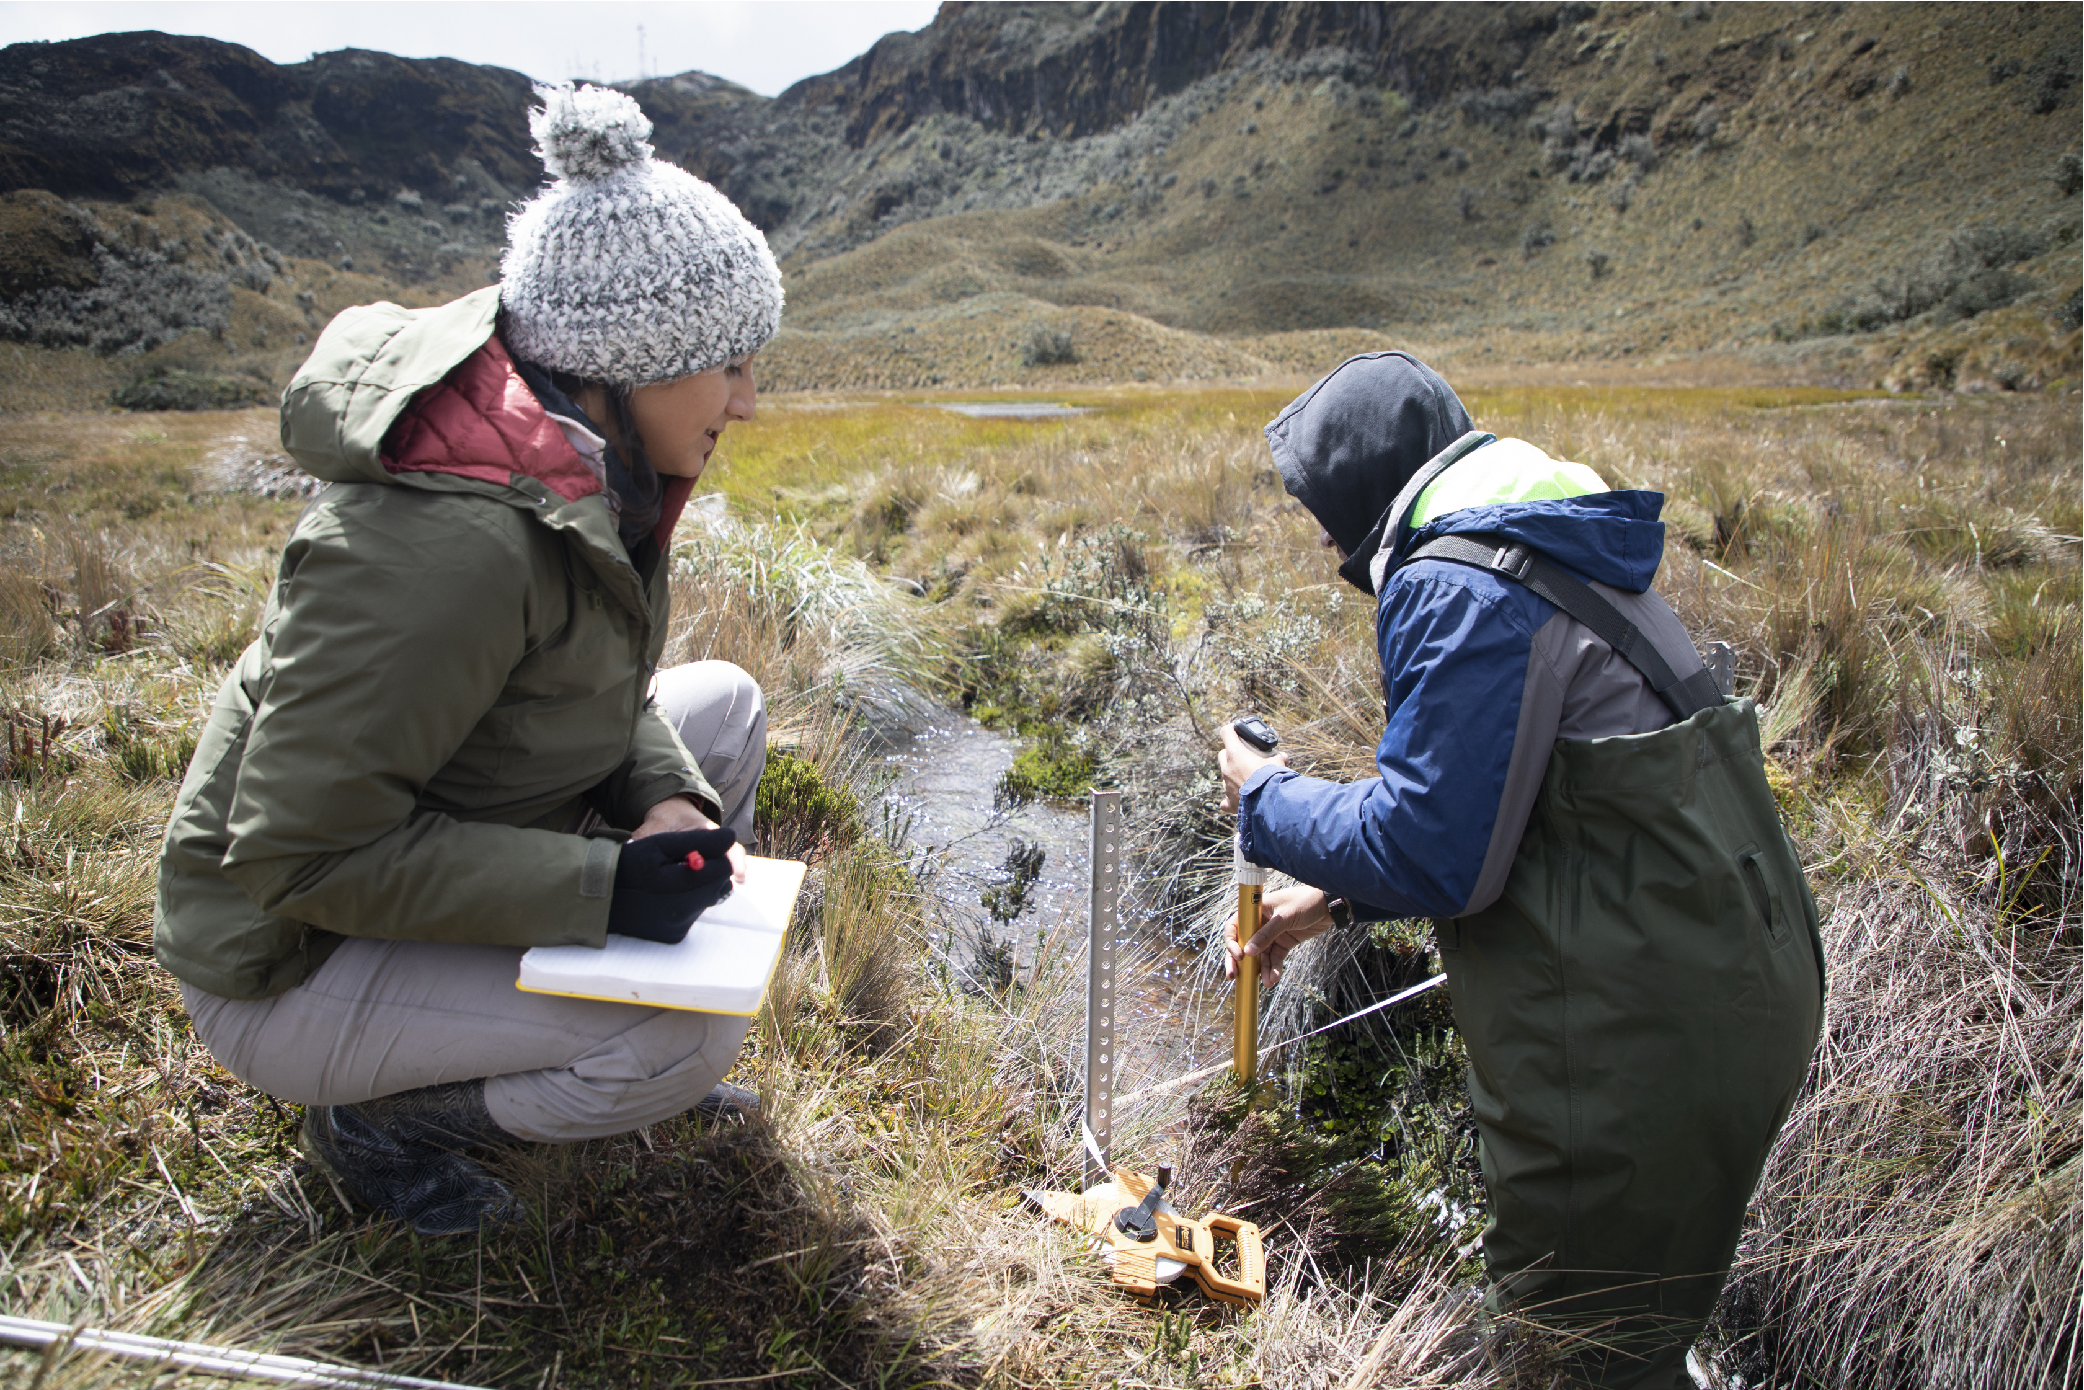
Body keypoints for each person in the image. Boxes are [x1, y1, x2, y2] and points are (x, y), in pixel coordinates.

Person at [154, 84, 784, 1236]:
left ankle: (583, 1014)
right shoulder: (449, 544)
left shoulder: (578, 459)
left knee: (722, 712)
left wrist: (660, 799)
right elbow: (299, 853)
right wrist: (598, 892)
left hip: (421, 851)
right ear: (628, 361)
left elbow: (596, 687)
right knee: (684, 1040)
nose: (748, 401)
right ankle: (384, 1120)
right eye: (729, 364)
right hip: (290, 957)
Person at [1216, 353, 1824, 1388]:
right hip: (1725, 974)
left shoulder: (1455, 582)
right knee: (1632, 1333)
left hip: (1638, 1033)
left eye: (1319, 504)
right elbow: (1524, 807)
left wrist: (1263, 795)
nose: (1317, 533)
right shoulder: (1539, 541)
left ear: (1368, 482)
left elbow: (1434, 851)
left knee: (1571, 1346)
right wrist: (1335, 899)